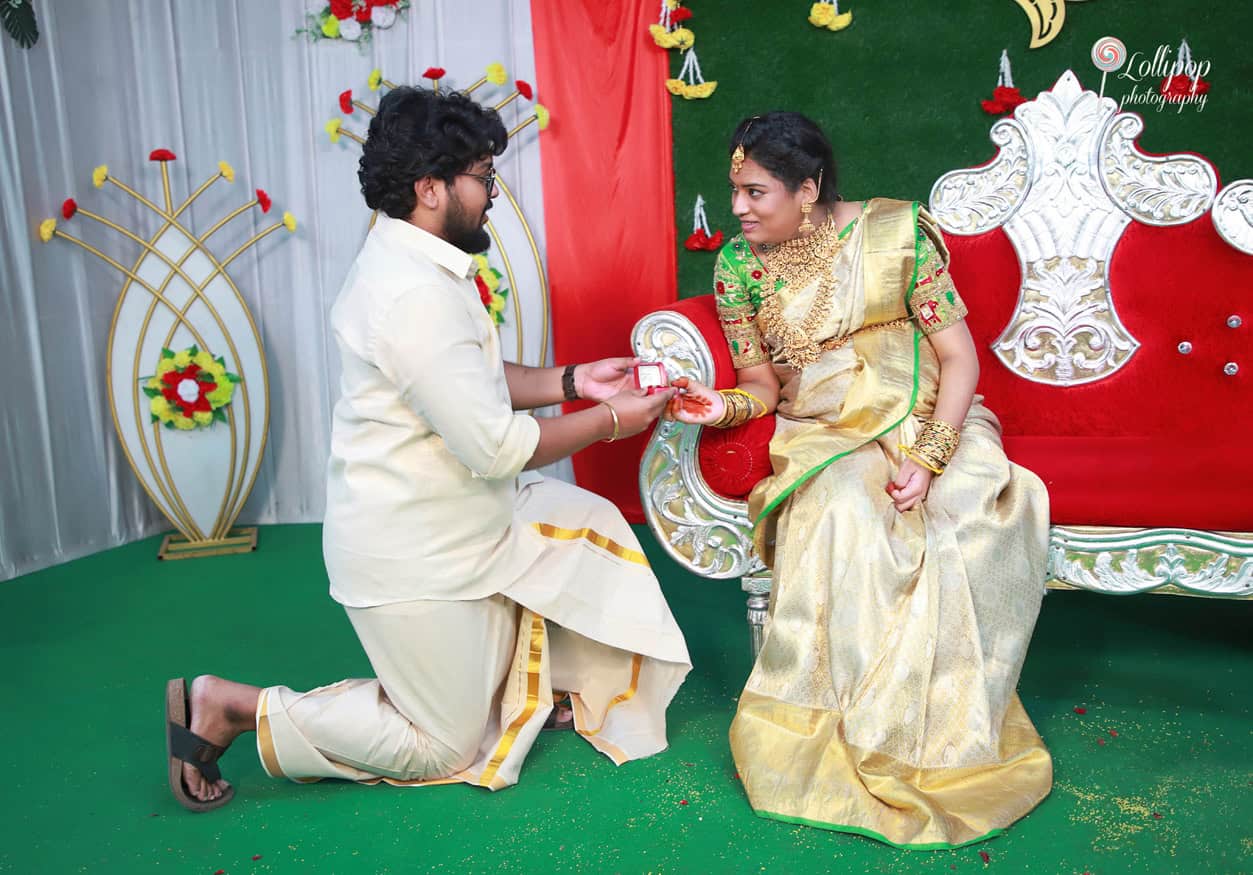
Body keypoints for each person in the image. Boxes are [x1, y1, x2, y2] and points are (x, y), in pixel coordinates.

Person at [164, 86, 690, 811]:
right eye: (483, 176)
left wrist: (573, 380)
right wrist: (612, 421)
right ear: (431, 188)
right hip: (414, 552)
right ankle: (233, 705)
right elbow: (495, 446)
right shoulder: (413, 293)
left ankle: (542, 678)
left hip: (458, 518)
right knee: (440, 747)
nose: (493, 194)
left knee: (586, 523)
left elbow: (467, 382)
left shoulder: (414, 260)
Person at [669, 111, 1051, 848]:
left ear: (807, 190)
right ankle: (844, 726)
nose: (739, 209)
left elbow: (960, 361)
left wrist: (929, 456)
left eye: (756, 193)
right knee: (843, 506)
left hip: (927, 416)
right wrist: (723, 405)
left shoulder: (896, 236)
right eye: (735, 191)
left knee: (958, 519)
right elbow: (759, 385)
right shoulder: (738, 266)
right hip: (822, 428)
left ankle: (922, 732)